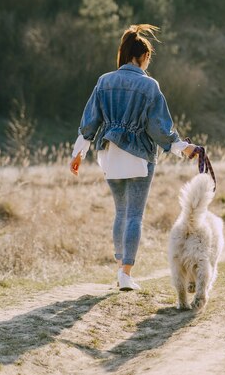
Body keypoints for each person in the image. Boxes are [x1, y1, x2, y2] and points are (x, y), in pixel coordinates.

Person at [69, 24, 196, 291]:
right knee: (135, 216)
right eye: (148, 58)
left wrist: (78, 153)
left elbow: (90, 121)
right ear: (142, 57)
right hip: (139, 155)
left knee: (121, 212)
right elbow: (159, 127)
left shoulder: (104, 81)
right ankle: (126, 274)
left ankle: (120, 270)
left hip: (109, 153)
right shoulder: (149, 85)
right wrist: (182, 147)